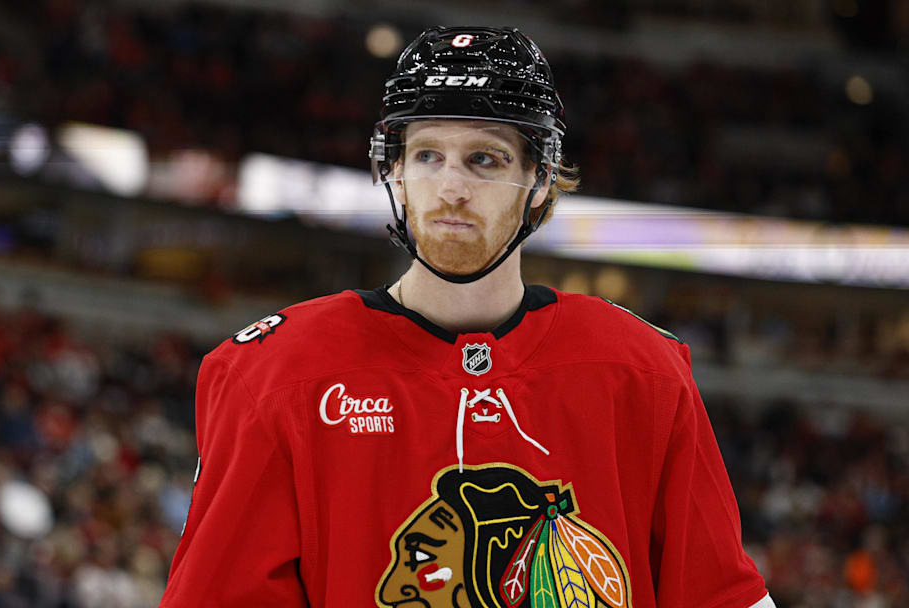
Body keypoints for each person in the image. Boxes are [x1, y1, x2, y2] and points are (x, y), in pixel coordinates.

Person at [159, 26, 775, 608]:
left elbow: (719, 594)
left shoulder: (644, 373)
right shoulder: (272, 377)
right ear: (394, 170)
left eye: (485, 159)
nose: (451, 187)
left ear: (539, 179)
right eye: (428, 155)